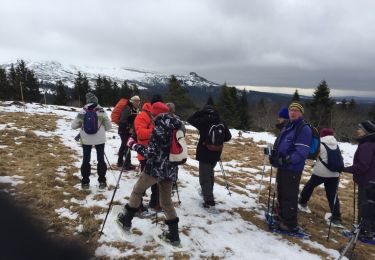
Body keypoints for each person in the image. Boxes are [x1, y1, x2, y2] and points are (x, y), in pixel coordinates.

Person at [117, 102, 184, 246]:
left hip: (155, 169)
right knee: (166, 202)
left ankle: (126, 221)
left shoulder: (159, 128)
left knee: (138, 191)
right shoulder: (178, 126)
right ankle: (174, 236)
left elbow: (151, 153)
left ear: (155, 114)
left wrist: (133, 145)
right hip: (170, 169)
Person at [270, 102, 312, 232]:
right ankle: (282, 217)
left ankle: (290, 223)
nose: (292, 112)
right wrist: (275, 156)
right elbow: (281, 144)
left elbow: (301, 152)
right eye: (291, 110)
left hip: (292, 169)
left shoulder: (303, 129)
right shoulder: (288, 126)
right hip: (283, 167)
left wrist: (286, 160)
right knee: (282, 193)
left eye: (296, 110)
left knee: (290, 195)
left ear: (301, 113)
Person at [187, 101, 231, 208]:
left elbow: (190, 119)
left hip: (204, 152)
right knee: (210, 174)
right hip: (216, 153)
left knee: (205, 177)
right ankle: (208, 194)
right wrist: (217, 143)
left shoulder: (204, 120)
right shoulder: (220, 121)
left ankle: (209, 201)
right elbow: (228, 137)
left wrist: (200, 112)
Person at [299, 128, 342, 224]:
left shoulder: (320, 143)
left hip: (321, 172)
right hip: (334, 173)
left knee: (310, 186)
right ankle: (336, 217)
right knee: (332, 194)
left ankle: (302, 202)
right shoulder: (336, 144)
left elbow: (314, 155)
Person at [71, 93, 112, 189]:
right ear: (96, 101)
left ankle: (85, 182)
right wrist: (101, 129)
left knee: (86, 160)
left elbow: (73, 126)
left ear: (87, 101)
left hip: (86, 139)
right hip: (100, 139)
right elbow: (109, 127)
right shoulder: (101, 111)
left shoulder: (83, 111)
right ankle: (102, 181)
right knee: (101, 159)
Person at [343, 120, 375, 239]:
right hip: (371, 181)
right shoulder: (371, 143)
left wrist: (346, 169)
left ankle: (364, 232)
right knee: (370, 206)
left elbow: (362, 166)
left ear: (366, 132)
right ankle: (369, 231)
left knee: (364, 206)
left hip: (367, 182)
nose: (358, 130)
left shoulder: (367, 145)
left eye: (360, 129)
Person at [133, 101, 161, 213]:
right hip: (144, 153)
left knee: (155, 180)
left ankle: (155, 203)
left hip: (152, 153)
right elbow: (140, 134)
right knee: (144, 181)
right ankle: (137, 205)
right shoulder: (142, 117)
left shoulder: (150, 116)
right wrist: (156, 131)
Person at [117, 95, 140, 169]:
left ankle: (120, 162)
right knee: (127, 146)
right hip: (123, 131)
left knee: (123, 145)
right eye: (136, 101)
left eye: (138, 101)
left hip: (128, 131)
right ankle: (127, 165)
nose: (137, 103)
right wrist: (129, 128)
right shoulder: (127, 109)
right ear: (132, 101)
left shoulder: (135, 109)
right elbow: (122, 121)